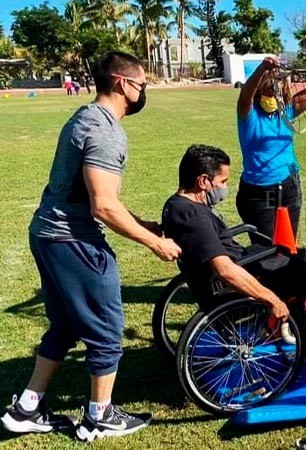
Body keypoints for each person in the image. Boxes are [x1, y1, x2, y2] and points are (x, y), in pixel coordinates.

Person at [1, 51, 182, 441]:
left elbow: (94, 196)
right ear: (122, 82)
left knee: (66, 325)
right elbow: (101, 205)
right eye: (142, 83)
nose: (144, 90)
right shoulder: (104, 129)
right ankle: (99, 416)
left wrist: (139, 221)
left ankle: (27, 408)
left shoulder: (86, 117)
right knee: (106, 328)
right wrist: (154, 242)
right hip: (72, 239)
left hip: (49, 233)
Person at [161, 144, 292, 319]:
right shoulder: (193, 216)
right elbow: (224, 270)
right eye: (222, 182)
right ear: (203, 181)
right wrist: (271, 299)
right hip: (238, 278)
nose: (225, 187)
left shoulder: (174, 205)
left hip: (243, 262)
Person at [235, 34, 306, 242]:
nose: (272, 95)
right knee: (265, 250)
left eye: (277, 91)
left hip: (290, 185)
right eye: (268, 90)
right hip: (258, 192)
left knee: (288, 245)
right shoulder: (249, 114)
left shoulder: (287, 111)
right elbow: (245, 94)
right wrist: (262, 70)